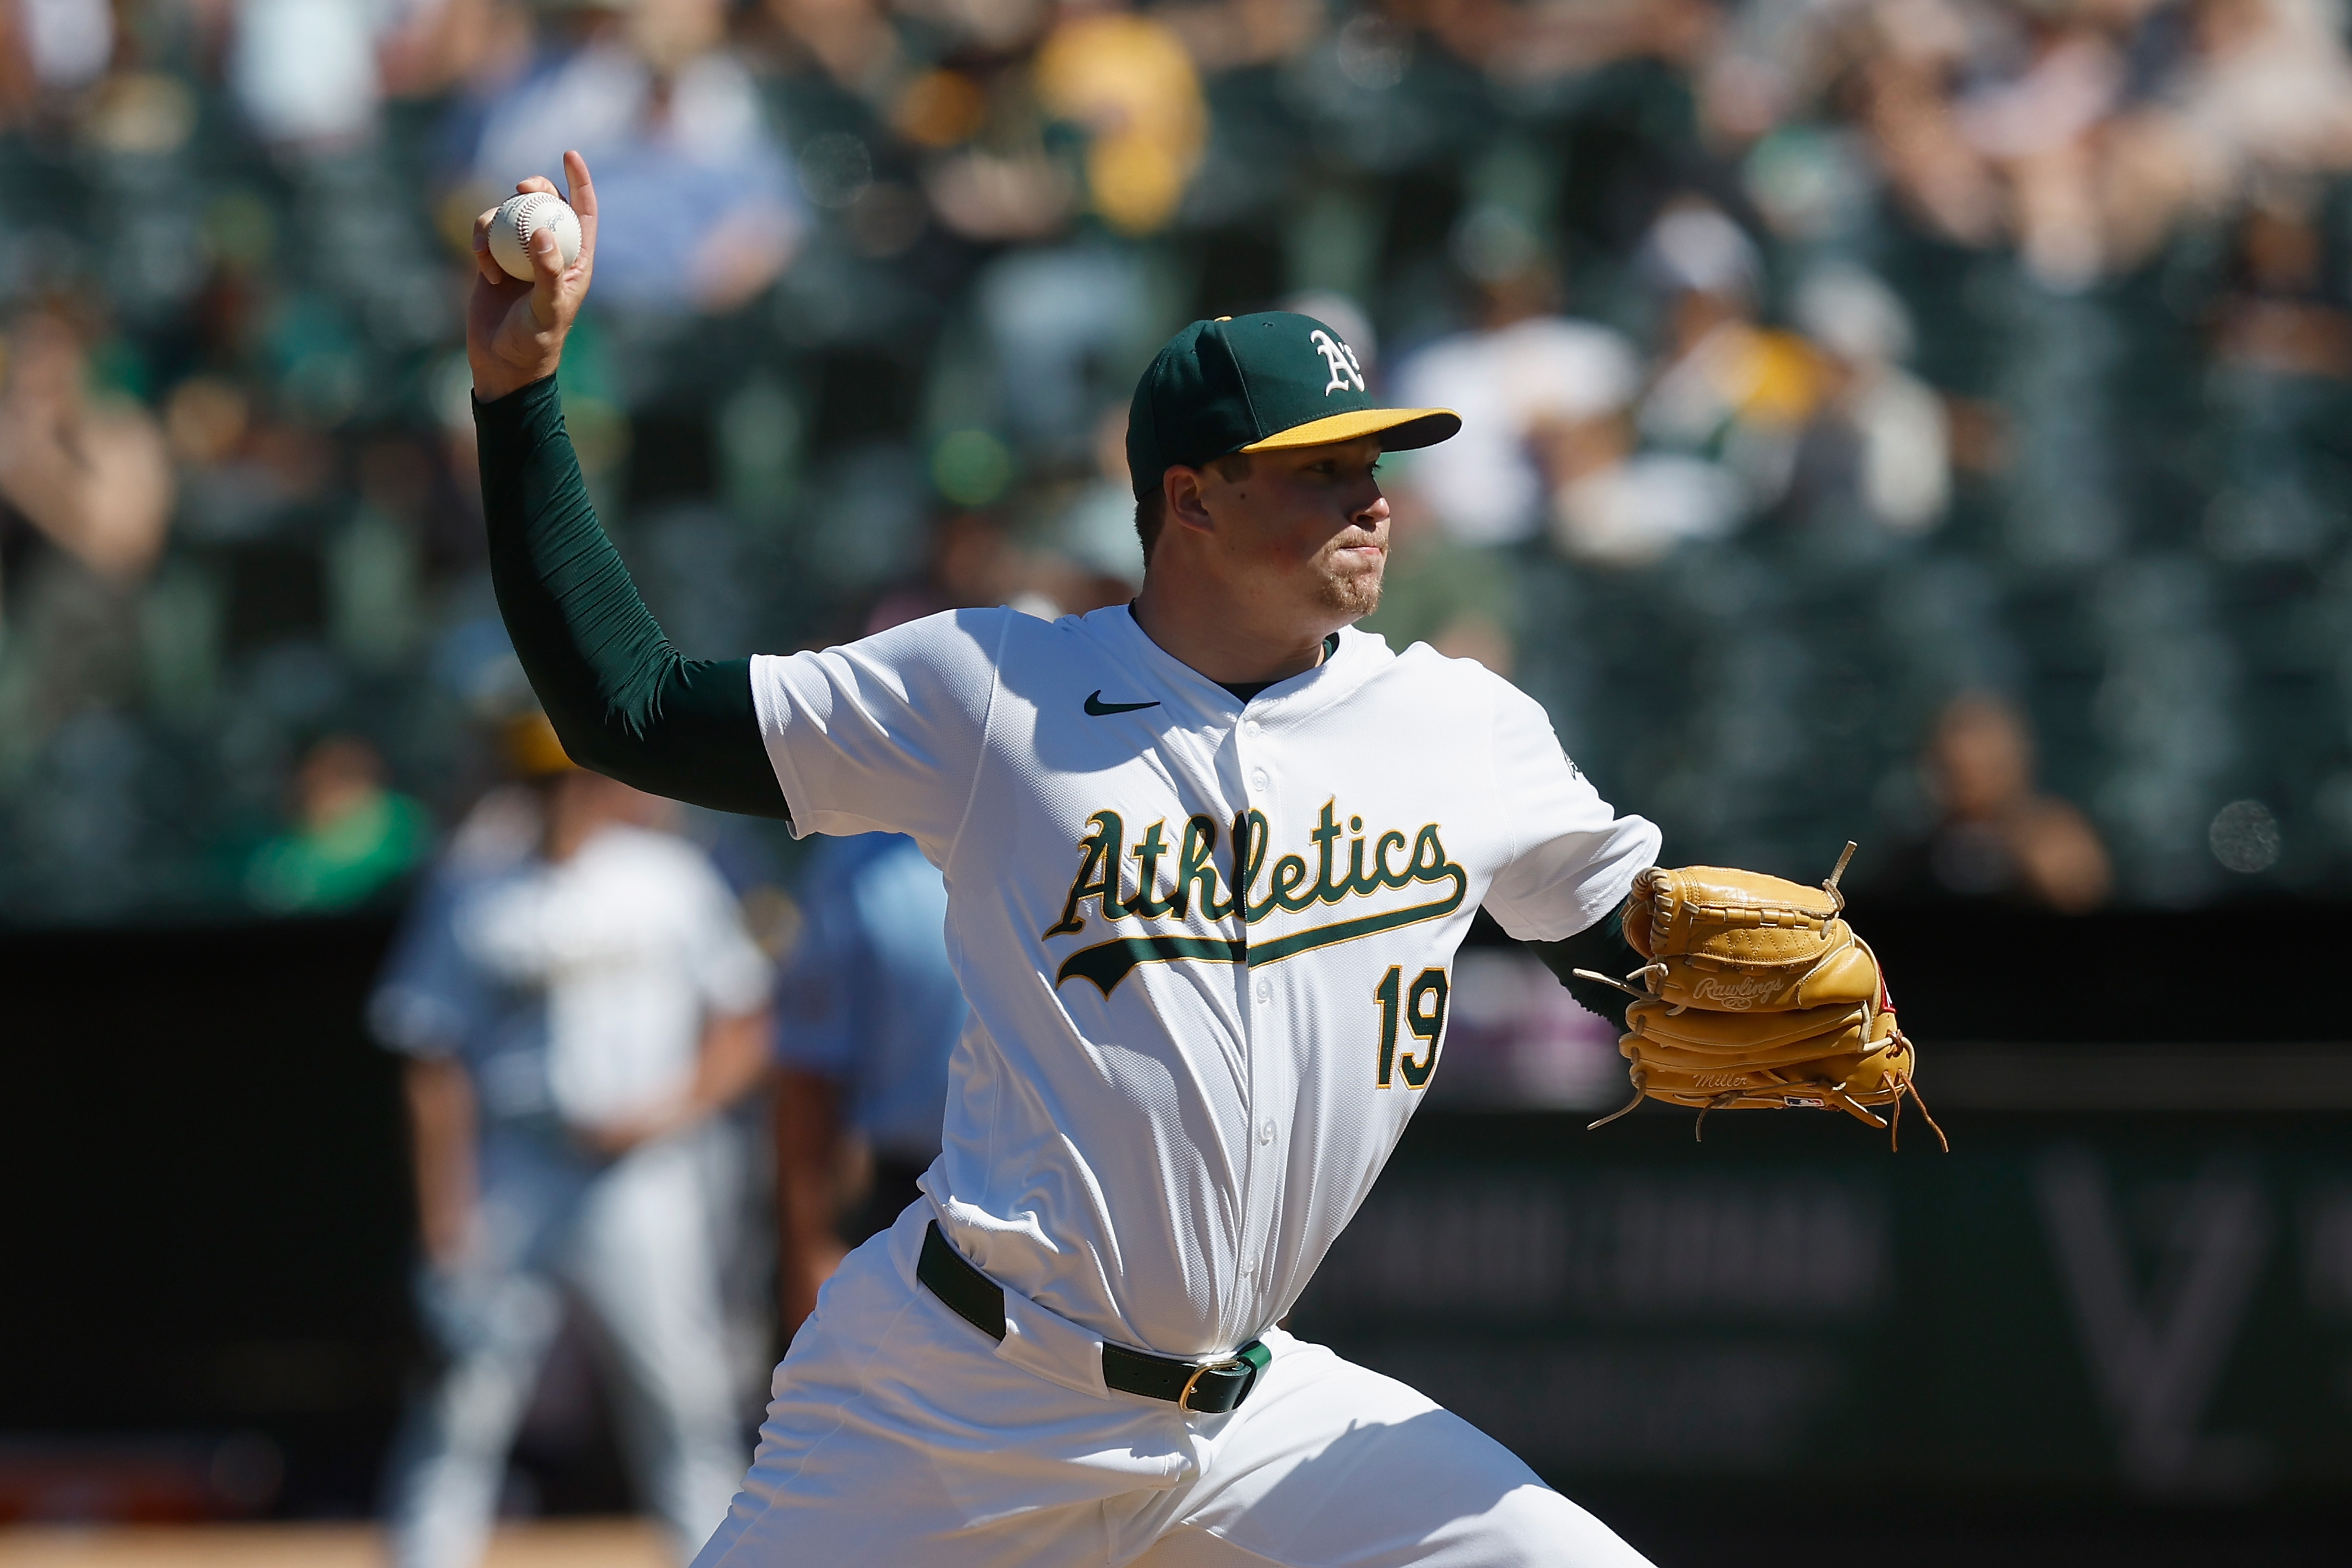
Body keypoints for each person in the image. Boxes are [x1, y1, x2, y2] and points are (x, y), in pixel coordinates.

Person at [467, 153, 1663, 1566]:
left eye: (1375, 461)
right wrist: (518, 399)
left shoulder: (1458, 727)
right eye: (1318, 467)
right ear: (1191, 499)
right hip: (954, 1403)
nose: (1372, 497)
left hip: (1254, 1423)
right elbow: (633, 711)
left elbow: (1624, 951)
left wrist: (1715, 980)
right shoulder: (992, 694)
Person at [368, 711, 773, 1568]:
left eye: (573, 778)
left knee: (683, 1400)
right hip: (518, 1164)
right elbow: (430, 1058)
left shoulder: (668, 879)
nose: (561, 799)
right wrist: (445, 1214)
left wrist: (671, 1110)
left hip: (643, 1172)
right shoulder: (472, 888)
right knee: (465, 1397)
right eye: (540, 783)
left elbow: (744, 1022)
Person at [770, 829, 967, 1338]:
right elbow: (810, 1076)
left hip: (1068, 1199)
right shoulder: (857, 866)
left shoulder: (1078, 831)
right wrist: (809, 1248)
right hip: (908, 1203)